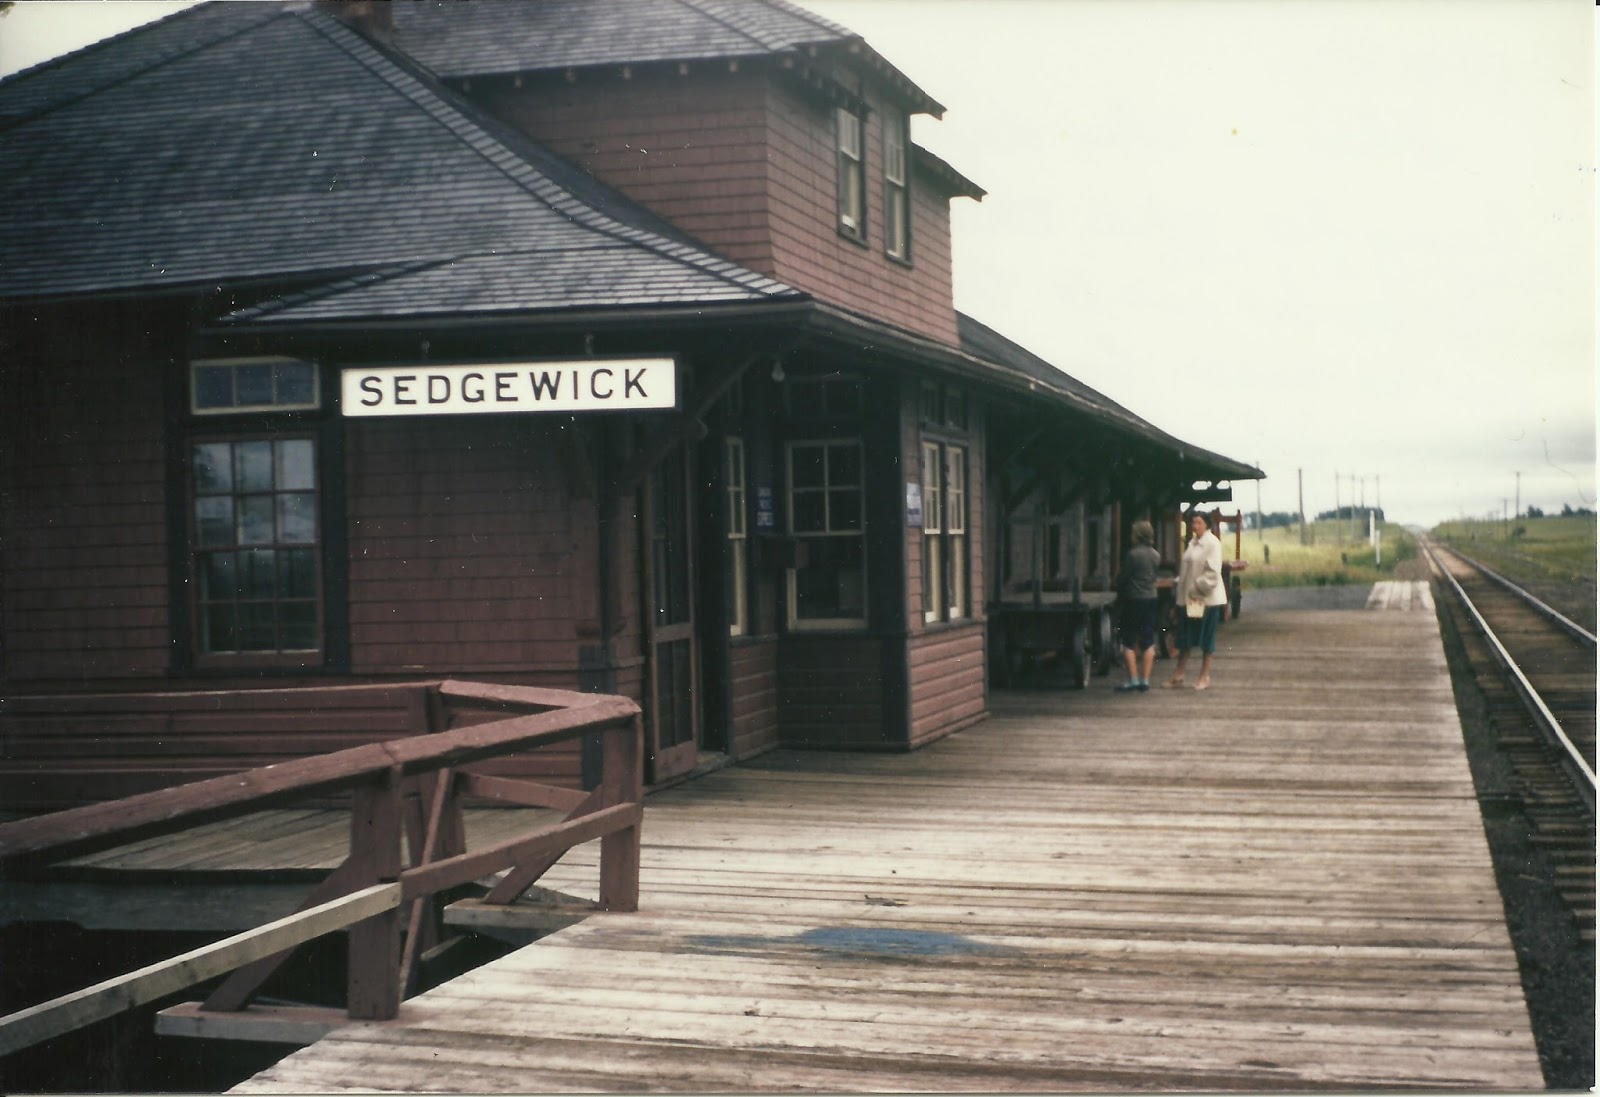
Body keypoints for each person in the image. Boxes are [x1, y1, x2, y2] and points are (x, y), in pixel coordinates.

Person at [1166, 510, 1227, 690]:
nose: (1195, 526)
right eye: (1193, 523)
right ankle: (1179, 674)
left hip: (1206, 599)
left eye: (1199, 523)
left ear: (1207, 524)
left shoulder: (1212, 543)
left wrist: (1196, 587)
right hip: (1191, 599)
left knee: (1206, 637)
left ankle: (1204, 676)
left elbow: (1212, 573)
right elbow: (1188, 570)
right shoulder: (1192, 543)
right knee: (1185, 637)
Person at [1114, 519, 1162, 692]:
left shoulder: (1132, 555)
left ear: (1137, 536)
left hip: (1134, 599)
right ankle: (1145, 680)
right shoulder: (1156, 555)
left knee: (1128, 640)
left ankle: (1133, 679)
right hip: (1151, 598)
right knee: (1148, 640)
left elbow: (1123, 578)